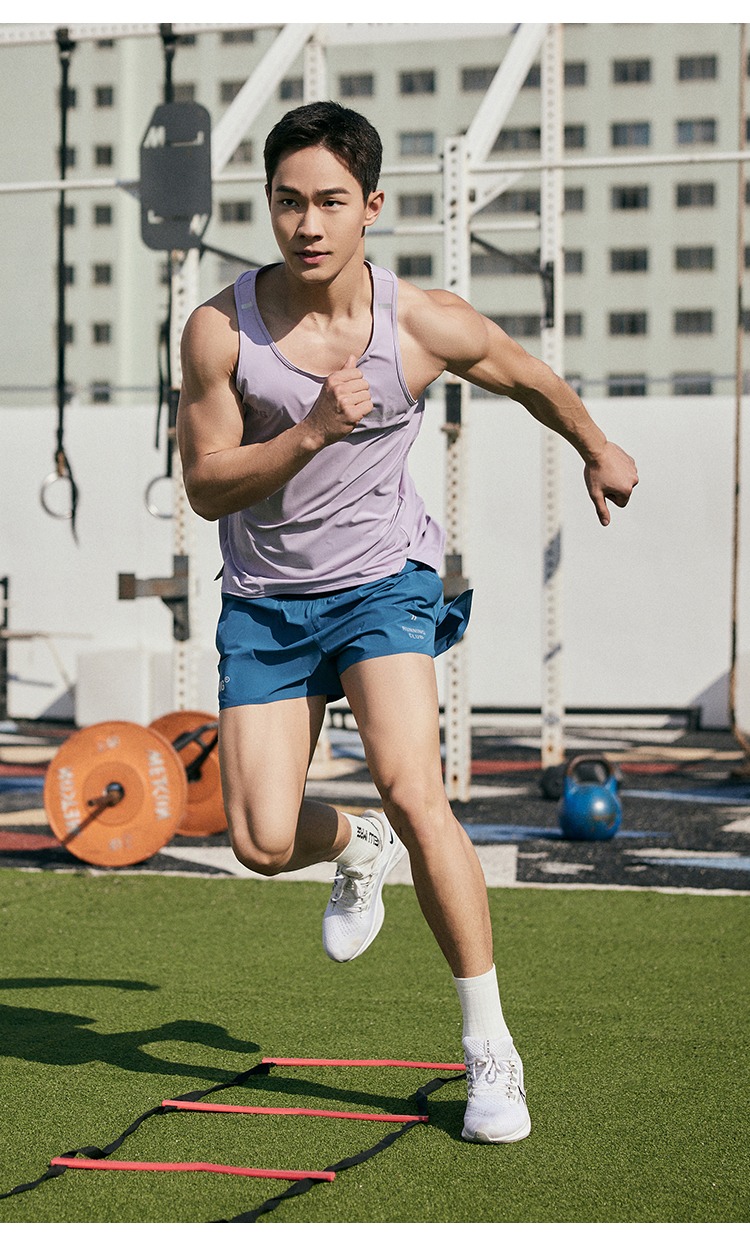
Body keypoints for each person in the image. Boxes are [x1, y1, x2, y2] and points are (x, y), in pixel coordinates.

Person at [177, 101, 638, 1144]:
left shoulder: (421, 323)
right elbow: (206, 486)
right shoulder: (220, 330)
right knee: (257, 840)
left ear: (372, 206)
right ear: (269, 205)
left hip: (383, 582)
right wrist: (308, 432)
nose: (308, 224)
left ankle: (490, 1048)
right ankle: (357, 845)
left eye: (330, 201)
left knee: (416, 786)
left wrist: (596, 446)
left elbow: (527, 376)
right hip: (266, 599)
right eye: (288, 201)